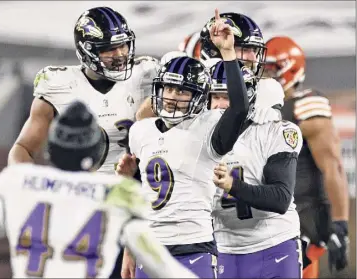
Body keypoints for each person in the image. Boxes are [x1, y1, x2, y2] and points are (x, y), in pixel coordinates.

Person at [0, 101, 199, 279]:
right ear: (95, 151)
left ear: (53, 148)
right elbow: (166, 270)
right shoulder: (118, 194)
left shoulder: (20, 183)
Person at [117, 9, 251, 278]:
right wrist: (130, 250)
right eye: (168, 88)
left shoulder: (207, 129)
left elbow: (238, 109)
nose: (172, 97)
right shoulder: (141, 131)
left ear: (199, 97)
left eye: (182, 91)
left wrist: (228, 53)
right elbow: (140, 194)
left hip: (194, 247)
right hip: (150, 248)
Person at [8, 6, 159, 175]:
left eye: (123, 45)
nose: (119, 54)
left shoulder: (146, 75)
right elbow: (23, 148)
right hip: (82, 194)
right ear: (86, 51)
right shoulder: (59, 85)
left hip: (138, 191)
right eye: (109, 48)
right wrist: (25, 183)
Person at [208, 58, 304, 278]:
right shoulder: (198, 137)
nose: (220, 105)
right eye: (215, 96)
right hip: (225, 248)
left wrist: (234, 185)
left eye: (228, 97)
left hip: (274, 243)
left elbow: (280, 198)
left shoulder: (271, 130)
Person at [265, 36, 350, 278]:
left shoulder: (305, 108)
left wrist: (341, 223)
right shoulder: (255, 108)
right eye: (261, 69)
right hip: (267, 218)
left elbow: (333, 167)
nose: (264, 76)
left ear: (290, 69)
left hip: (303, 217)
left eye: (271, 69)